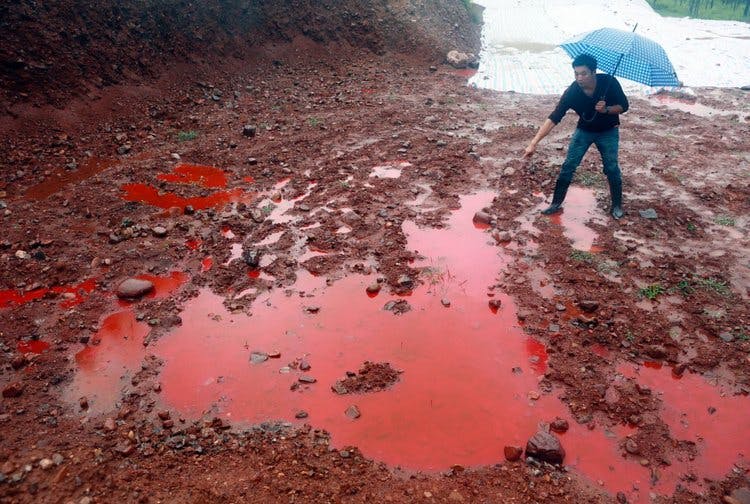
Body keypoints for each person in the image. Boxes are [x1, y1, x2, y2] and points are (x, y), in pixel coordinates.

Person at [523, 54, 629, 219]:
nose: (579, 78)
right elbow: (554, 117)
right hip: (584, 131)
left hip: (608, 131)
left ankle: (616, 205)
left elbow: (624, 106)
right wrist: (534, 143)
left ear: (594, 72)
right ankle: (556, 203)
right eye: (576, 73)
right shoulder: (573, 91)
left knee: (611, 168)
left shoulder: (610, 82)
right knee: (568, 166)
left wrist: (606, 109)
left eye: (584, 73)